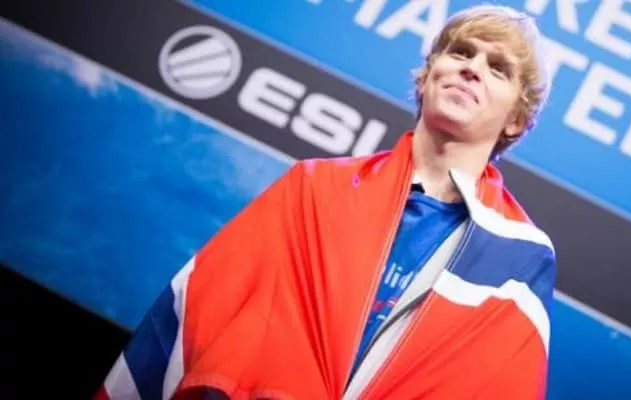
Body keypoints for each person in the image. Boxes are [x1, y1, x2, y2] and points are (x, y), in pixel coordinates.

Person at [95, 4, 557, 399]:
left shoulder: (519, 257)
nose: (472, 68)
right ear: (427, 75)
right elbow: (195, 314)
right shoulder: (315, 186)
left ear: (516, 120)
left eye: (498, 68)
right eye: (460, 52)